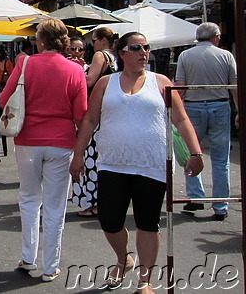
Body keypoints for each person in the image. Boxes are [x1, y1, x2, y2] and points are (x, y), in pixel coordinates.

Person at [70, 32, 204, 294]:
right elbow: (89, 120)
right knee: (109, 220)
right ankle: (123, 258)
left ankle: (145, 281)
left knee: (147, 222)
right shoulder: (106, 83)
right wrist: (78, 155)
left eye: (146, 47)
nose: (144, 52)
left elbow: (181, 119)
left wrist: (196, 153)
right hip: (112, 163)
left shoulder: (161, 82)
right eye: (136, 48)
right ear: (121, 53)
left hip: (150, 164)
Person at [0, 18, 87, 283]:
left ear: (40, 40)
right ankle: (50, 266)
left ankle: (28, 257)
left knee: (28, 198)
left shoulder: (25, 63)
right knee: (55, 204)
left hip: (27, 139)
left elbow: (4, 100)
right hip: (61, 141)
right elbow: (81, 113)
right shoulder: (74, 70)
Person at [175, 22, 238, 221]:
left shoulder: (185, 56)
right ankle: (220, 204)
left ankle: (196, 197)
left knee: (192, 153)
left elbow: (180, 86)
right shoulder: (226, 55)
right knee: (221, 159)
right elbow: (234, 86)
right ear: (216, 37)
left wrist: (177, 111)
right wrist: (239, 110)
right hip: (219, 105)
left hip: (193, 106)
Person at [71, 26, 119, 218]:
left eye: (94, 40)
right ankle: (103, 201)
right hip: (110, 111)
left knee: (91, 157)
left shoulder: (100, 56)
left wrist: (76, 72)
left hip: (97, 111)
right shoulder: (114, 58)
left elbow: (90, 81)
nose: (92, 44)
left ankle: (94, 202)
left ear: (103, 41)